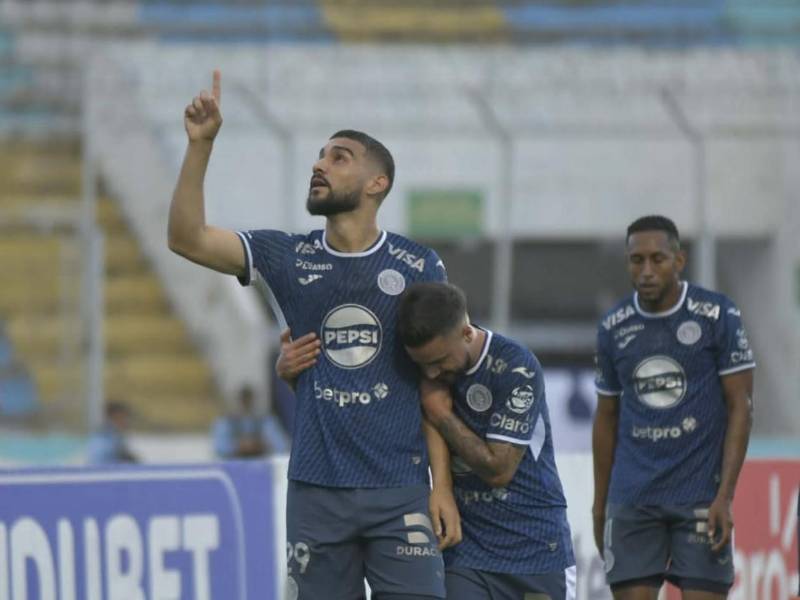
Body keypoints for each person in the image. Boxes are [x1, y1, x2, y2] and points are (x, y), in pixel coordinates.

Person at [168, 70, 458, 600]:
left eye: (339, 157)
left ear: (377, 184)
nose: (318, 164)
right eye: (320, 155)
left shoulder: (418, 264)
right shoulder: (287, 256)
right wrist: (200, 146)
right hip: (317, 493)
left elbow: (435, 384)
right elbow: (187, 238)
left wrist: (443, 487)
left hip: (400, 490)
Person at [279, 281, 577, 599]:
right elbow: (353, 414)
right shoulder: (417, 370)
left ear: (466, 333)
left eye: (439, 362)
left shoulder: (516, 367)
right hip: (466, 553)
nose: (432, 374)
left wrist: (442, 416)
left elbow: (498, 469)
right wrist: (294, 376)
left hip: (536, 548)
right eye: (423, 365)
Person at [592, 215, 755, 599]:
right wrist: (600, 505)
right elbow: (606, 417)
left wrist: (725, 496)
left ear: (679, 261)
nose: (646, 270)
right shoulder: (613, 326)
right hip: (633, 496)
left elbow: (741, 406)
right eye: (637, 260)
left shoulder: (717, 315)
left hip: (700, 494)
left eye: (658, 259)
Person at [212, 385, 289, 459]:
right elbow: (219, 448)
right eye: (243, 399)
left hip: (261, 463)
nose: (246, 403)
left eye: (248, 399)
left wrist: (261, 445)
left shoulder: (265, 421)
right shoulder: (225, 422)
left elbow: (282, 446)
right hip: (233, 464)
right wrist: (238, 446)